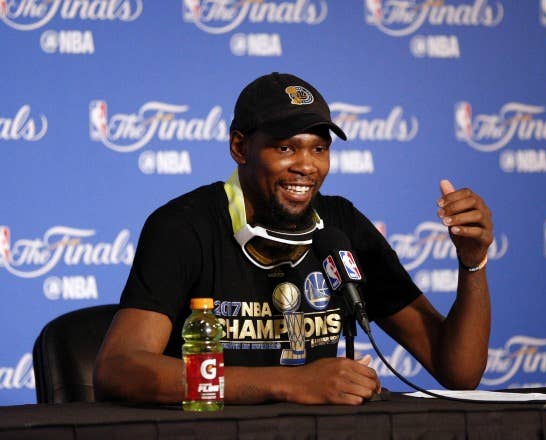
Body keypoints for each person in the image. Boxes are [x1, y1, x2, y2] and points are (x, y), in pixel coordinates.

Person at [93, 72, 492, 405]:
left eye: (319, 149)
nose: (306, 166)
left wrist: (472, 261)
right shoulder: (183, 226)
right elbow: (118, 370)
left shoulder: (342, 227)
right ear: (239, 147)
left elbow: (458, 372)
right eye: (285, 147)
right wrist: (288, 384)